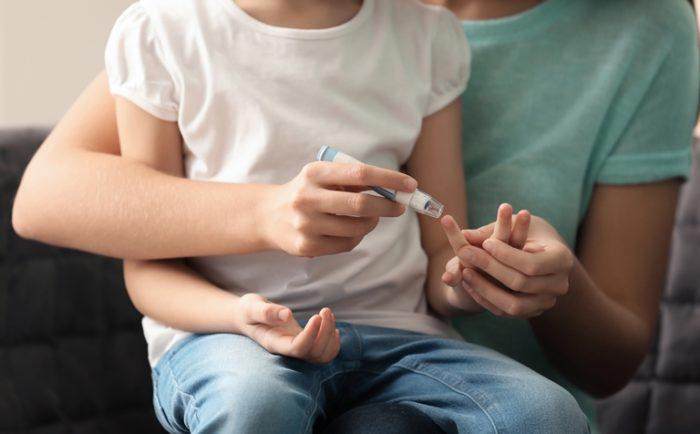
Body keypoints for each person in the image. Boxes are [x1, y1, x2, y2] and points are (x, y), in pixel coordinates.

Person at [12, 0, 697, 432]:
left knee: (538, 412)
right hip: (245, 347)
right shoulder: (171, 32)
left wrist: (497, 273)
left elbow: (446, 268)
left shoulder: (424, 44)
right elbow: (59, 205)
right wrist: (259, 230)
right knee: (259, 403)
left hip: (408, 344)